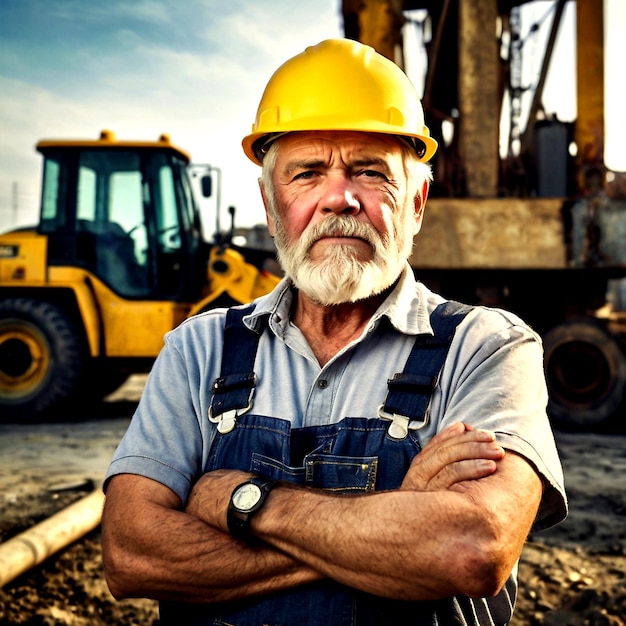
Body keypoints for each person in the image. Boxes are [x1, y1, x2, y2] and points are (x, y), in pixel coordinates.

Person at [101, 38, 567, 625]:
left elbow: (471, 549)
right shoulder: (197, 351)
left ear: (417, 204)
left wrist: (242, 502)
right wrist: (397, 521)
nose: (337, 198)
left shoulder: (488, 349)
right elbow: (130, 555)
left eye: (370, 172)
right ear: (271, 207)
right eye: (307, 173)